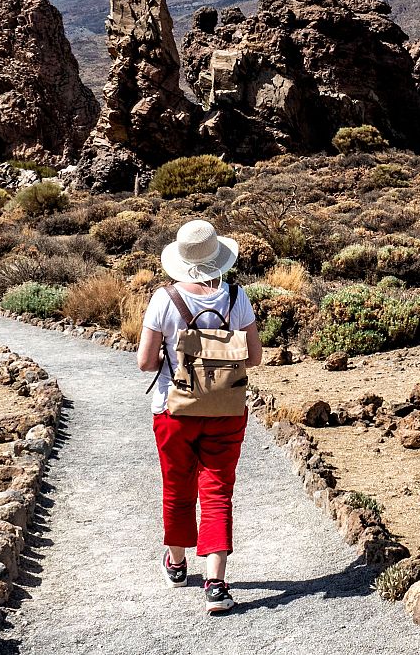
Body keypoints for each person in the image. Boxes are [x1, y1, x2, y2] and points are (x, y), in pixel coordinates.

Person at [137, 219, 261, 614]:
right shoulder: (237, 297)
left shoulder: (164, 299)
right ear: (218, 257)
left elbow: (144, 362)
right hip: (226, 409)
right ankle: (216, 583)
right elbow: (255, 357)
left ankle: (176, 563)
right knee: (218, 491)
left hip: (175, 410)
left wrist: (170, 358)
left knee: (177, 486)